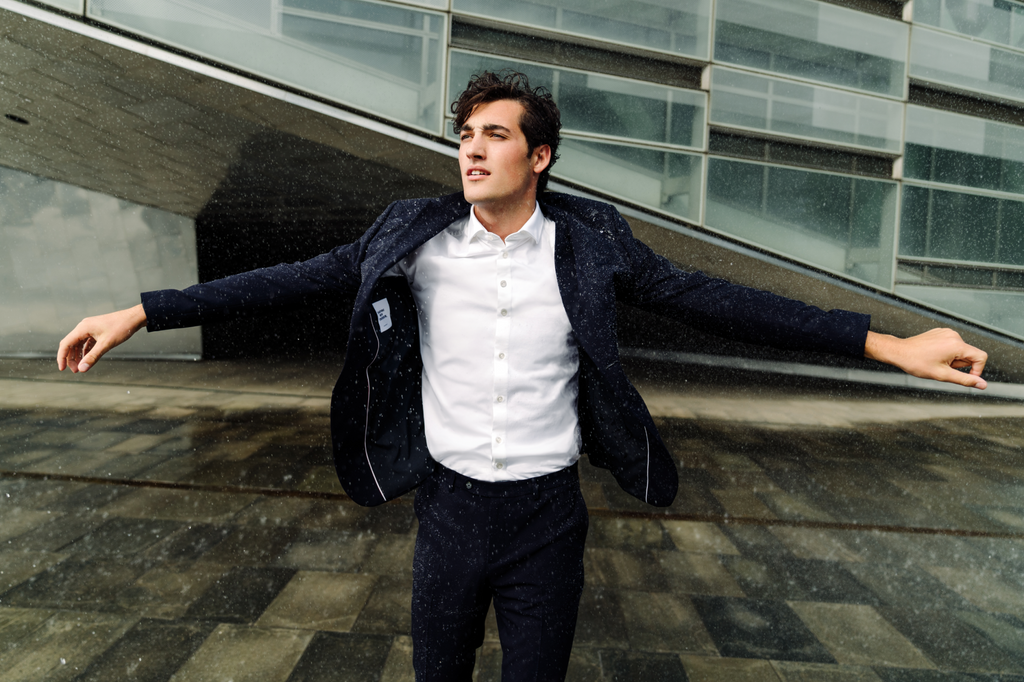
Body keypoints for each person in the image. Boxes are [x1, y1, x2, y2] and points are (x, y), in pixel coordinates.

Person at [57, 71, 988, 681]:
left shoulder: (593, 245)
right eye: (465, 133)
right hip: (448, 512)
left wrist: (888, 344)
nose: (470, 148)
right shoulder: (411, 237)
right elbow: (288, 279)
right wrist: (140, 311)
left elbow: (721, 300)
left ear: (538, 157)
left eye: (495, 135)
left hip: (548, 518)